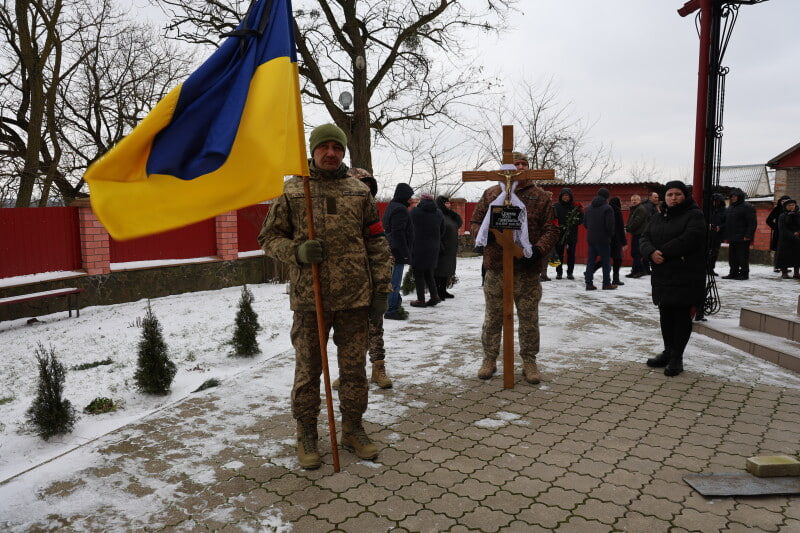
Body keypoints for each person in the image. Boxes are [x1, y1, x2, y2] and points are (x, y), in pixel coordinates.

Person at [258, 123, 392, 469]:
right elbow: (268, 239)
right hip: (309, 301)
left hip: (355, 299)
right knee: (308, 371)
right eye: (324, 147)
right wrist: (297, 251)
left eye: (337, 147)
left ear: (344, 152)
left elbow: (376, 243)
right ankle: (306, 432)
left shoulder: (359, 193)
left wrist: (382, 290)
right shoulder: (293, 191)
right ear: (313, 150)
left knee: (353, 370)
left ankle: (352, 428)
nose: (331, 153)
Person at [469, 158, 560, 384]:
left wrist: (538, 251)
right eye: (514, 164)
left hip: (527, 269)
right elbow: (474, 222)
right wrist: (486, 235)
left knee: (529, 318)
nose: (519, 168)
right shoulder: (491, 193)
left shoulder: (541, 196)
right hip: (497, 267)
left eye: (523, 164)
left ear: (528, 168)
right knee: (492, 317)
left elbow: (551, 228)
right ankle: (489, 359)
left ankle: (529, 361)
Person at [639, 180, 706, 377]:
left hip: (685, 274)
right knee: (665, 313)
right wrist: (650, 252)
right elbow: (644, 237)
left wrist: (663, 253)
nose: (673, 198)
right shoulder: (659, 216)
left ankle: (677, 357)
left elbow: (690, 238)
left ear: (685, 196)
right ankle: (668, 352)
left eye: (677, 194)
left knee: (680, 314)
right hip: (662, 274)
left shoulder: (694, 215)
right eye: (670, 195)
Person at [347, 168, 393, 389]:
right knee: (349, 331)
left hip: (371, 279)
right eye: (359, 184)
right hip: (347, 282)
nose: (363, 189)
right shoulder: (341, 212)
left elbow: (382, 249)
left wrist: (383, 286)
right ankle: (351, 372)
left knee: (375, 326)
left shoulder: (371, 212)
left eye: (367, 185)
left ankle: (378, 367)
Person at [382, 183, 415, 320]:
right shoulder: (400, 209)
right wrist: (405, 252)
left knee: (392, 279)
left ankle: (395, 303)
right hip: (396, 250)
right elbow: (398, 233)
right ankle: (391, 309)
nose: (411, 199)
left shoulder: (391, 206)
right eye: (409, 197)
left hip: (390, 247)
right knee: (394, 281)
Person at [409, 192, 445, 307]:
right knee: (429, 273)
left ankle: (421, 300)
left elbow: (408, 227)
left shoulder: (415, 212)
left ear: (421, 200)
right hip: (434, 247)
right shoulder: (439, 213)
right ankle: (434, 296)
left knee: (418, 273)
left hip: (418, 246)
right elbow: (442, 230)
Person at [583, 187, 616, 290]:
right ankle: (606, 283)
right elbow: (609, 225)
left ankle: (589, 284)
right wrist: (610, 235)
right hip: (603, 239)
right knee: (606, 262)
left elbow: (585, 224)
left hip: (591, 238)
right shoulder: (608, 208)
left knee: (591, 262)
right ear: (607, 197)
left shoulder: (589, 208)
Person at [722, 188, 757, 280]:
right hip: (732, 236)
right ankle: (733, 273)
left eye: (735, 196)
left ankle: (744, 274)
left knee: (742, 256)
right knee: (732, 257)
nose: (733, 198)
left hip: (743, 237)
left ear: (740, 197)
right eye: (732, 196)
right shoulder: (731, 207)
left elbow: (752, 223)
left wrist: (748, 235)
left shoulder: (747, 207)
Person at [435, 195, 463, 299]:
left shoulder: (449, 215)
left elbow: (459, 223)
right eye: (446, 203)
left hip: (450, 248)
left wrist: (452, 213)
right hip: (441, 247)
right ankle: (437, 292)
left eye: (449, 203)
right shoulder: (437, 214)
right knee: (439, 271)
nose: (449, 205)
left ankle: (443, 290)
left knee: (447, 270)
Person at [552, 187, 584, 280]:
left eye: (567, 196)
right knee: (559, 254)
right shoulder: (556, 206)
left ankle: (570, 272)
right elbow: (552, 218)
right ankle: (559, 272)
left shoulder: (575, 207)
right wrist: (556, 225)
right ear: (561, 196)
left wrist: (574, 223)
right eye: (564, 195)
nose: (565, 197)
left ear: (570, 197)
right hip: (560, 234)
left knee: (571, 254)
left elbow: (582, 218)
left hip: (571, 234)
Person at [775, 198, 800, 279]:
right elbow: (782, 228)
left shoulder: (798, 214)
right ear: (785, 206)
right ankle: (784, 273)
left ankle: (796, 273)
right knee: (784, 256)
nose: (791, 206)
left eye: (793, 205)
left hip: (797, 239)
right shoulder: (782, 216)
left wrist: (798, 232)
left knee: (797, 256)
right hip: (785, 239)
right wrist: (793, 235)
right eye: (789, 205)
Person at [625, 194, 648, 278]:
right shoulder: (634, 209)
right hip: (635, 234)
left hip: (640, 234)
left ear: (639, 200)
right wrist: (627, 227)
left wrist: (628, 229)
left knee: (637, 253)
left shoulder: (640, 209)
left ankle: (640, 271)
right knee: (634, 253)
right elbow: (631, 221)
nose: (634, 201)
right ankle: (635, 270)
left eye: (635, 200)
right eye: (632, 200)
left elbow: (637, 222)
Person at [767, 195, 792, 272]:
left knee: (787, 250)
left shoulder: (791, 210)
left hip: (789, 233)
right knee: (778, 249)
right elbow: (768, 220)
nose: (784, 203)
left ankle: (785, 267)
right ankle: (776, 266)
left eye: (786, 201)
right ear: (780, 202)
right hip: (779, 233)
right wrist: (776, 227)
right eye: (783, 201)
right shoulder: (777, 209)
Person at [609, 196, 627, 286]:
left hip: (608, 238)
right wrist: (624, 242)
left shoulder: (607, 210)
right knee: (618, 259)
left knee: (606, 257)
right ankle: (615, 279)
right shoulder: (617, 211)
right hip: (617, 239)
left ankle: (590, 271)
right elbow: (620, 228)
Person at [707, 193, 727, 276]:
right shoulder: (707, 209)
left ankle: (711, 269)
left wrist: (720, 227)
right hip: (707, 234)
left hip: (717, 235)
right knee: (706, 251)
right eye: (714, 201)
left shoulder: (724, 211)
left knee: (714, 252)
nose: (716, 203)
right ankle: (704, 268)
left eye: (718, 201)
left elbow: (727, 222)